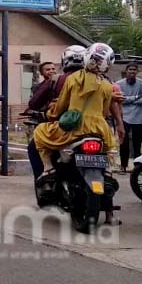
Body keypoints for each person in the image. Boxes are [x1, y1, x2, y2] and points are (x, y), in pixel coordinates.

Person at [33, 43, 121, 223]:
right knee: (109, 153)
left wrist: (51, 113)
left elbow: (62, 106)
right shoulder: (106, 85)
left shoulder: (73, 79)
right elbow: (105, 112)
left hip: (74, 128)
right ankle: (109, 172)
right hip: (99, 130)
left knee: (40, 132)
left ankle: (48, 167)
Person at [26, 46, 85, 178]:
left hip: (65, 128)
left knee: (34, 145)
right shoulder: (100, 80)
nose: (51, 71)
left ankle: (46, 176)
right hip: (95, 128)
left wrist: (50, 111)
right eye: (48, 69)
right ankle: (108, 172)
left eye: (53, 68)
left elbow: (41, 104)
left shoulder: (59, 80)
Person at [116, 64, 142, 173]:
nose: (132, 72)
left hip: (138, 117)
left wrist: (127, 99)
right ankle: (123, 166)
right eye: (130, 69)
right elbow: (120, 99)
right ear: (126, 71)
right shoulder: (119, 84)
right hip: (124, 116)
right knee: (123, 142)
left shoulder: (141, 83)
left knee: (137, 143)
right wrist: (134, 98)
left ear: (137, 71)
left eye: (134, 70)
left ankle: (137, 167)